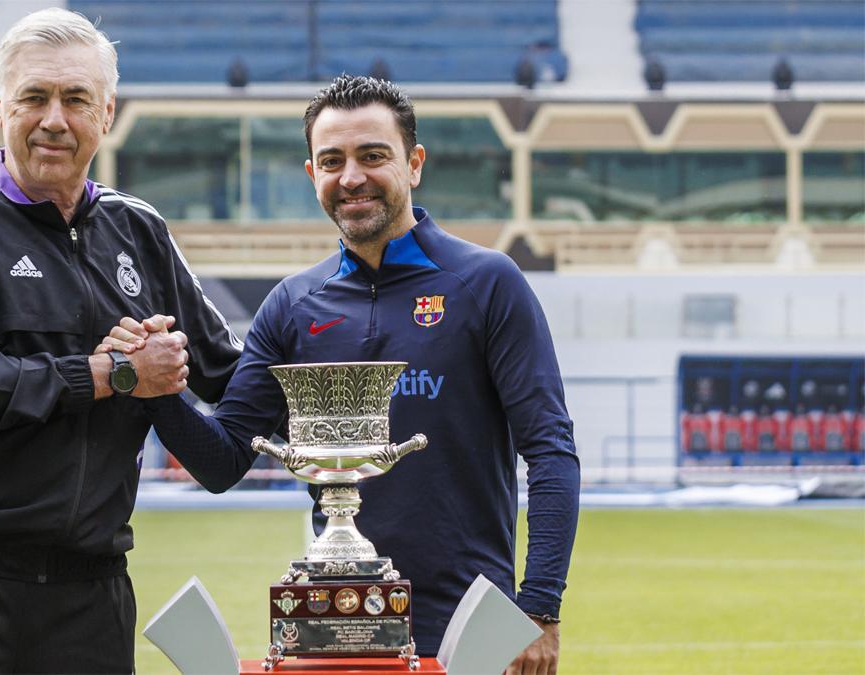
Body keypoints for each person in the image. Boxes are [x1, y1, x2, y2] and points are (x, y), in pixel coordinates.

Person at [101, 75, 580, 673]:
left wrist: (537, 609)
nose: (351, 176)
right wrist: (153, 389)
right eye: (333, 161)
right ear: (313, 176)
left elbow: (551, 450)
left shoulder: (487, 283)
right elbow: (222, 463)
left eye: (372, 156)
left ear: (414, 164)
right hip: (333, 627)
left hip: (473, 631)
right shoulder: (293, 304)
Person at [0, 9, 242, 674]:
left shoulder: (139, 230)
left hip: (89, 591)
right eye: (34, 97)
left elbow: (226, 373)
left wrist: (315, 335)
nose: (54, 120)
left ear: (108, 111)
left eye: (75, 99)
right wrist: (117, 373)